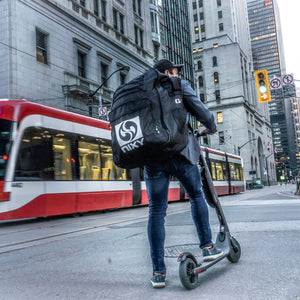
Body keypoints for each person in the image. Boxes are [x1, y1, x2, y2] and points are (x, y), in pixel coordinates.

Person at [145, 59, 223, 288]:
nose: (177, 73)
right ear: (168, 72)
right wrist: (211, 125)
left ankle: (158, 272)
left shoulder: (144, 91)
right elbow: (201, 111)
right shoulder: (179, 85)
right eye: (174, 70)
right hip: (181, 152)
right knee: (197, 195)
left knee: (156, 211)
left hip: (154, 158)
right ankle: (207, 246)